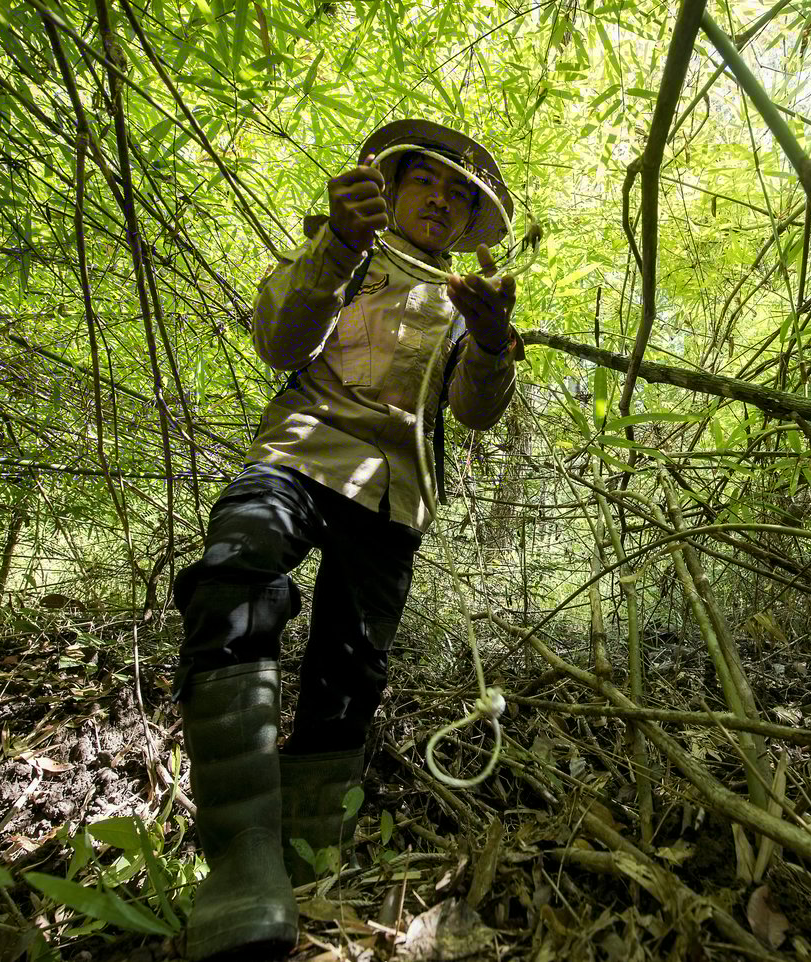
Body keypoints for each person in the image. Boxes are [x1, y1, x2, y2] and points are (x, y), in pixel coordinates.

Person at [171, 119, 523, 961]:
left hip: (395, 491)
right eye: (426, 183)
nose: (441, 199)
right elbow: (278, 342)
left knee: (351, 661)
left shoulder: (473, 297)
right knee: (236, 569)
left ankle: (305, 853)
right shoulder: (343, 248)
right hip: (299, 452)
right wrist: (335, 242)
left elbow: (473, 414)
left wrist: (488, 343)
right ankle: (240, 858)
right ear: (393, 189)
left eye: (460, 196)